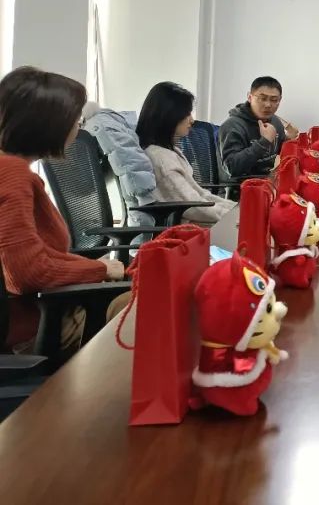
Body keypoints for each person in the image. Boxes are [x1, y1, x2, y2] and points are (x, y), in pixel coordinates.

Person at [0, 67, 125, 352]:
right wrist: (100, 268)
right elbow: (27, 273)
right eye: (75, 120)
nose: (78, 127)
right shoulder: (12, 175)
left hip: (36, 312)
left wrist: (99, 268)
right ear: (49, 124)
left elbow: (38, 254)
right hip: (32, 326)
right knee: (146, 311)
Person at [138, 82, 236, 224]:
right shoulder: (161, 160)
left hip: (196, 222)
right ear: (169, 117)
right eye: (186, 114)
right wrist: (237, 216)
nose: (192, 120)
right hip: (188, 229)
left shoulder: (170, 151)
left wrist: (237, 209)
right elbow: (194, 208)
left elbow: (201, 196)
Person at [218, 76, 299, 179]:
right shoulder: (232, 126)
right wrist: (264, 142)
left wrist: (289, 140)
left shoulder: (275, 121)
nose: (268, 105)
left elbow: (281, 153)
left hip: (267, 181)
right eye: (262, 99)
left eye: (274, 100)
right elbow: (232, 168)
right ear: (249, 97)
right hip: (240, 186)